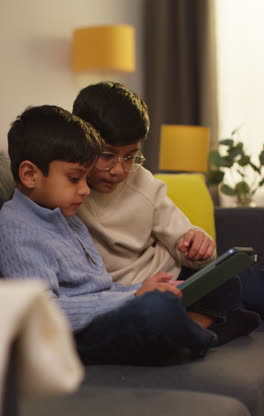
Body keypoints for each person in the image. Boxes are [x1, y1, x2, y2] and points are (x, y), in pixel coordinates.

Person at [0, 104, 227, 366]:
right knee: (157, 311)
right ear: (30, 175)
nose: (85, 190)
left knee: (213, 281)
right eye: (75, 179)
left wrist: (143, 288)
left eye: (86, 179)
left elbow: (103, 286)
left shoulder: (66, 218)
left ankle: (180, 340)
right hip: (75, 334)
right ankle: (197, 338)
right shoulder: (17, 227)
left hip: (108, 314)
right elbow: (42, 312)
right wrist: (133, 297)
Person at [72, 81, 217, 286]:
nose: (118, 170)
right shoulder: (65, 193)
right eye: (107, 155)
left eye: (130, 156)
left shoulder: (143, 184)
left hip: (172, 276)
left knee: (235, 283)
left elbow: (182, 240)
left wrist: (197, 246)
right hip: (129, 296)